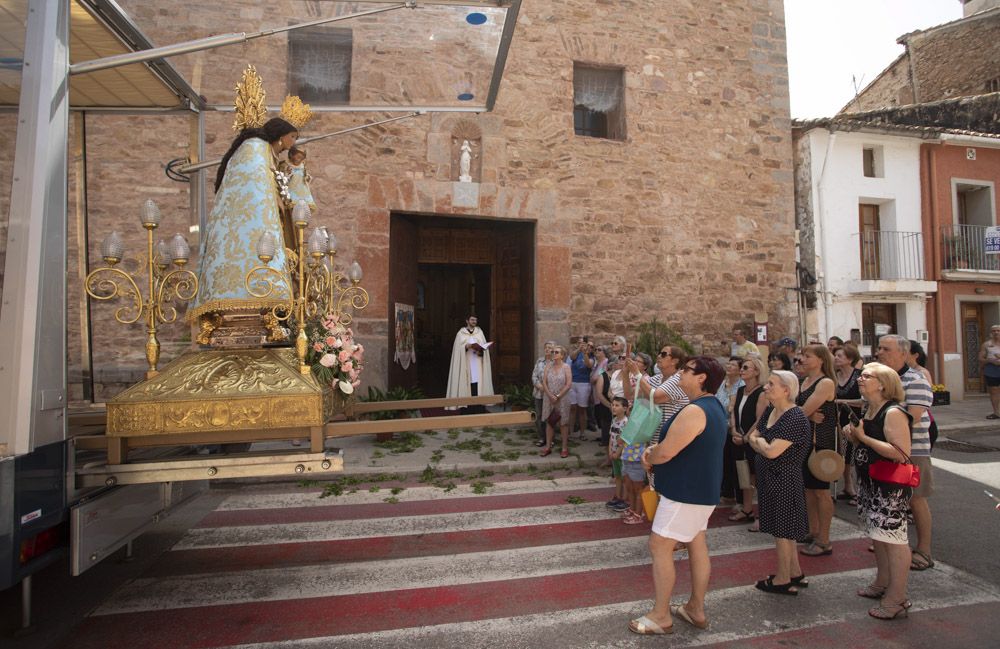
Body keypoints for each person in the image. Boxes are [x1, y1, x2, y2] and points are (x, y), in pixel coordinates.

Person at [628, 356, 726, 635]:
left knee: (660, 546)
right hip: (700, 489)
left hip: (686, 491)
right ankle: (695, 608)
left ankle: (660, 615)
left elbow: (668, 451)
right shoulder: (711, 407)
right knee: (697, 543)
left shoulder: (695, 410)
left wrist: (650, 455)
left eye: (686, 370)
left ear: (702, 378)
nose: (681, 374)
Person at [190, 116, 301, 341]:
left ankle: (271, 315)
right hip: (251, 228)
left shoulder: (265, 153)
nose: (294, 142)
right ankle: (253, 310)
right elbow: (256, 192)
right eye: (293, 137)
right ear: (282, 136)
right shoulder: (254, 150)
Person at [847, 362, 914, 620]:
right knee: (879, 537)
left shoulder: (893, 412)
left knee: (894, 540)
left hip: (890, 488)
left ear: (883, 384)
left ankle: (897, 598)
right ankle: (882, 583)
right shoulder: (869, 408)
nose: (860, 379)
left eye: (867, 376)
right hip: (871, 484)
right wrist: (854, 435)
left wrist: (862, 438)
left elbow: (901, 453)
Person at [747, 370, 811, 595]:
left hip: (784, 479)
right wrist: (761, 443)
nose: (766, 387)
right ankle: (794, 572)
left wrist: (761, 443)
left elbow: (772, 451)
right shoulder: (772, 410)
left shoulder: (794, 417)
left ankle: (783, 579)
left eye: (771, 384)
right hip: (771, 478)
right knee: (782, 529)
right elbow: (752, 436)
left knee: (783, 530)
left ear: (786, 389)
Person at [876, 334, 935, 572]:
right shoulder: (881, 380)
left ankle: (924, 550)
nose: (880, 352)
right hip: (885, 450)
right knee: (892, 500)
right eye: (879, 348)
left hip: (912, 450)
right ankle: (896, 546)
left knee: (915, 499)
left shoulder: (915, 380)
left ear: (903, 353)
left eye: (886, 349)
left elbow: (915, 416)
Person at [796, 343, 838, 557]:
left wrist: (806, 415)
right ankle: (813, 531)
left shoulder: (825, 383)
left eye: (808, 356)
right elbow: (799, 411)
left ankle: (824, 539)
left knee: (821, 491)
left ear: (821, 359)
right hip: (806, 441)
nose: (803, 359)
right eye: (802, 355)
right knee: (808, 490)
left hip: (820, 442)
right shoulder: (804, 382)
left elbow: (801, 411)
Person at [729, 356, 769, 526]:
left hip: (753, 440)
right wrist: (733, 430)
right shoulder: (740, 390)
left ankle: (763, 515)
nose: (742, 370)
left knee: (757, 477)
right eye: (742, 367)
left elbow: (760, 419)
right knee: (743, 475)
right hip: (739, 437)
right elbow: (733, 412)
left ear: (757, 371)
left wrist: (746, 438)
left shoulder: (761, 393)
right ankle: (747, 509)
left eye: (746, 368)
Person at [445, 315, 494, 412]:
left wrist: (481, 349)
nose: (474, 321)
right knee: (467, 384)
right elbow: (457, 350)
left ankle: (479, 408)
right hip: (466, 364)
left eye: (475, 320)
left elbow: (484, 348)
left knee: (478, 384)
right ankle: (466, 409)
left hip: (478, 363)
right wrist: (466, 346)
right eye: (472, 320)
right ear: (467, 321)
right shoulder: (460, 334)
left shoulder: (479, 332)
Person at [834, 344, 864, 503]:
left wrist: (841, 401)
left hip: (857, 419)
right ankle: (848, 486)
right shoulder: (834, 376)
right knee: (844, 455)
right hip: (840, 420)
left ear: (850, 359)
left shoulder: (860, 376)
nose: (836, 358)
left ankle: (860, 491)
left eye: (840, 356)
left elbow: (864, 401)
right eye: (836, 355)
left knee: (857, 456)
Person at [540, 345, 572, 458]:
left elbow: (568, 384)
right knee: (549, 422)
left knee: (563, 423)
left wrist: (558, 396)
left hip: (562, 398)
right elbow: (544, 381)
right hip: (549, 398)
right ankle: (548, 446)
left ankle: (564, 448)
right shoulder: (548, 366)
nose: (554, 353)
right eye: (553, 352)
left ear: (562, 355)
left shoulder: (566, 367)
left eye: (557, 352)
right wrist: (549, 395)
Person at [605, 396, 629, 513]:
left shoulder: (625, 422)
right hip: (614, 453)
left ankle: (625, 499)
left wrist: (618, 452)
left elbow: (623, 440)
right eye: (613, 405)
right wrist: (610, 451)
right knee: (617, 476)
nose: (614, 407)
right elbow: (612, 436)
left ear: (625, 408)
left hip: (622, 455)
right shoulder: (614, 420)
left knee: (624, 477)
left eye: (617, 405)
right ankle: (618, 496)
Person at [568, 338, 595, 438]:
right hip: (573, 382)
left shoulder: (592, 356)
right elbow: (571, 357)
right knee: (572, 408)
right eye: (586, 345)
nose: (587, 347)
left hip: (584, 384)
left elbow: (588, 365)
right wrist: (580, 349)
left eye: (590, 346)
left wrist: (585, 353)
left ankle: (582, 432)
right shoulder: (577, 353)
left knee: (582, 409)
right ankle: (570, 432)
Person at [531, 341, 555, 447]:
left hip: (550, 394)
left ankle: (551, 438)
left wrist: (549, 390)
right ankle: (542, 437)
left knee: (550, 417)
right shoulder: (540, 361)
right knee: (540, 415)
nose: (547, 349)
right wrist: (539, 386)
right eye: (546, 347)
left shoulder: (556, 362)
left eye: (550, 348)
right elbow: (534, 375)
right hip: (539, 393)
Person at [593, 347, 616, 447]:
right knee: (606, 430)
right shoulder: (603, 376)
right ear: (613, 364)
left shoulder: (622, 376)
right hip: (606, 407)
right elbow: (599, 393)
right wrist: (609, 405)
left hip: (618, 409)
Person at [981, 325, 1000, 420]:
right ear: (991, 333)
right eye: (994, 331)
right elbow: (980, 358)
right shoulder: (986, 345)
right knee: (994, 391)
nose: (996, 332)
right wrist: (990, 361)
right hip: (992, 370)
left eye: (998, 330)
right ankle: (996, 412)